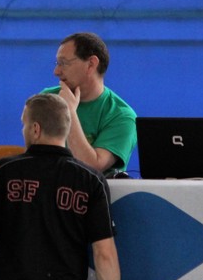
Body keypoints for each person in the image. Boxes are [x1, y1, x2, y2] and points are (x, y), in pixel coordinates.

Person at [0, 93, 120, 280]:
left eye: (24, 125)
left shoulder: (5, 171)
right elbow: (104, 254)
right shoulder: (92, 180)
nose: (23, 131)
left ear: (35, 129)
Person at [42, 32, 137, 176]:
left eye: (64, 63)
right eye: (57, 63)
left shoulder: (122, 116)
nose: (56, 71)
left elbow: (90, 168)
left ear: (91, 64)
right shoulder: (47, 100)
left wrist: (69, 111)